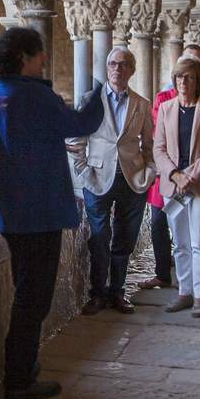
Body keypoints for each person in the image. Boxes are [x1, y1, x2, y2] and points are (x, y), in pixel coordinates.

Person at [0, 27, 105, 399]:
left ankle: (25, 367)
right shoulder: (32, 95)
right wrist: (97, 93)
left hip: (9, 212)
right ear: (24, 57)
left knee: (25, 291)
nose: (43, 60)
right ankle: (18, 379)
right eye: (39, 55)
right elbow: (80, 124)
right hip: (39, 212)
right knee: (34, 298)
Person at [68, 47, 154, 316]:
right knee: (99, 237)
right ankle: (97, 294)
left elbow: (150, 144)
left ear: (132, 70)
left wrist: (149, 172)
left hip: (131, 178)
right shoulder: (89, 100)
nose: (118, 68)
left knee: (125, 238)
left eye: (124, 64)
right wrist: (83, 170)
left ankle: (117, 292)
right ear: (107, 68)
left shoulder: (142, 104)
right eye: (113, 64)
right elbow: (76, 139)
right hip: (97, 178)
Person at [154, 57, 200, 318]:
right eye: (180, 77)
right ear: (174, 80)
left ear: (197, 81)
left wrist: (189, 177)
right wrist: (175, 175)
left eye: (189, 77)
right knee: (180, 243)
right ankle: (184, 292)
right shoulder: (165, 108)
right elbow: (158, 149)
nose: (184, 82)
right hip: (174, 186)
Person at [138, 43, 200, 291]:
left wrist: (191, 172)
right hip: (167, 173)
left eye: (194, 65)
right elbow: (159, 135)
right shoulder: (163, 98)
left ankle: (193, 281)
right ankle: (163, 273)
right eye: (184, 65)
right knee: (159, 221)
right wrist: (173, 171)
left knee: (193, 230)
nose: (185, 77)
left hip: (195, 175)